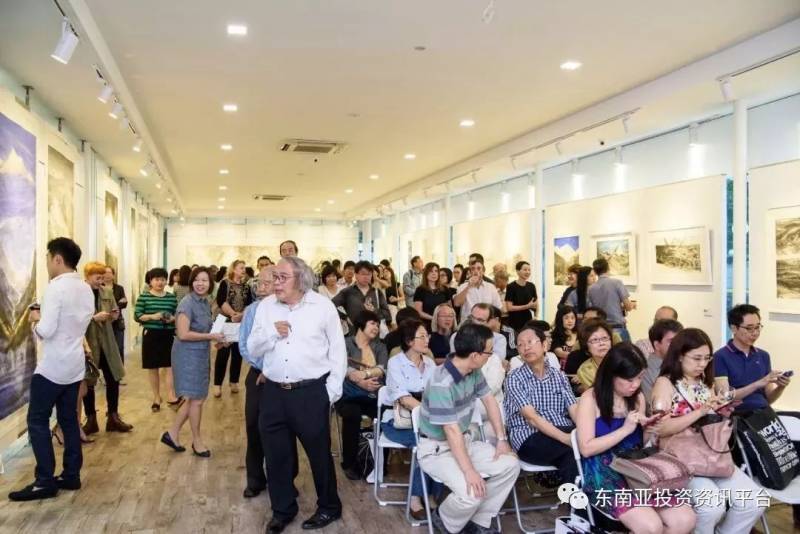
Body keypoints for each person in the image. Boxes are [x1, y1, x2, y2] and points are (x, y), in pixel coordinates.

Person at [247, 256, 346, 532]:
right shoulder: (266, 307)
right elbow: (253, 348)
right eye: (274, 277)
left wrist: (330, 392)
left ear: (300, 280)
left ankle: (329, 507)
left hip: (311, 393)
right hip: (273, 393)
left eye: (282, 277)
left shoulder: (322, 307)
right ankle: (283, 509)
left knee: (319, 455)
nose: (275, 283)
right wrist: (271, 334)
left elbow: (338, 351)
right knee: (276, 455)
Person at [651, 328, 765, 533]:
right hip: (681, 461)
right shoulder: (665, 383)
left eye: (707, 358)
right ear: (679, 356)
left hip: (712, 456)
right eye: (696, 358)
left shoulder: (704, 382)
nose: (702, 364)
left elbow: (709, 422)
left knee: (755, 500)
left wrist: (723, 412)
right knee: (712, 506)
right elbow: (661, 428)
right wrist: (701, 411)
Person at [575, 343, 696, 533]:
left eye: (640, 377)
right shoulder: (590, 399)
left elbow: (639, 443)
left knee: (685, 520)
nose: (636, 385)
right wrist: (625, 430)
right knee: (651, 527)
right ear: (611, 375)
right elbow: (586, 448)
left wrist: (649, 429)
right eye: (629, 379)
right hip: (604, 473)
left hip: (636, 468)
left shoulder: (637, 398)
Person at [9, 238, 94, 502]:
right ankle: (71, 475)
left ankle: (44, 480)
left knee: (37, 420)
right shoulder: (85, 288)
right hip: (74, 365)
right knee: (69, 419)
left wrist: (35, 320)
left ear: (57, 259)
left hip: (52, 367)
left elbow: (46, 330)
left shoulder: (56, 288)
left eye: (48, 259)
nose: (47, 264)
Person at [417, 323, 520, 534]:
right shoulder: (441, 383)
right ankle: (444, 520)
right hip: (436, 450)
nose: (491, 356)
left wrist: (501, 440)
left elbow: (490, 401)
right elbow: (451, 431)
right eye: (489, 352)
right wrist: (469, 471)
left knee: (510, 464)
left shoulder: (473, 371)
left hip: (464, 442)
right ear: (474, 355)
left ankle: (478, 521)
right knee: (472, 493)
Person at [381, 319, 443, 519]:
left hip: (427, 421)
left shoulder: (430, 363)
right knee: (425, 442)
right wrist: (430, 417)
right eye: (422, 336)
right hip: (400, 422)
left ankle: (431, 494)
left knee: (441, 441)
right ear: (409, 341)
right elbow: (404, 398)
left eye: (427, 335)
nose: (427, 340)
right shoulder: (395, 362)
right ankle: (417, 497)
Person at [161, 267, 225, 458]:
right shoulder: (187, 303)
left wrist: (218, 339)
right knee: (196, 399)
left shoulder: (205, 302)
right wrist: (210, 336)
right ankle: (197, 441)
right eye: (197, 280)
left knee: (194, 398)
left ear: (210, 284)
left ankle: (172, 434)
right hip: (187, 355)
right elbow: (183, 334)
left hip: (200, 353)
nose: (200, 283)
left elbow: (206, 329)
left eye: (204, 280)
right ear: (191, 282)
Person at [504, 324, 578, 485]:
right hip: (530, 437)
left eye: (530, 342)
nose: (526, 347)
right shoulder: (514, 378)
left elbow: (573, 408)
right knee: (578, 451)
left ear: (544, 345)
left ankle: (580, 499)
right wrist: (568, 439)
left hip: (563, 430)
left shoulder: (559, 376)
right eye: (520, 344)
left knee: (578, 455)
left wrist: (585, 432)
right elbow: (533, 419)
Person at [239, 266, 282, 497]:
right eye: (259, 283)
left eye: (267, 283)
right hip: (257, 375)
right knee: (253, 426)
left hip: (282, 377)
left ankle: (285, 480)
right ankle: (255, 479)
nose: (260, 288)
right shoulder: (252, 310)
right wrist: (265, 368)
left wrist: (272, 369)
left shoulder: (288, 308)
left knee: (283, 430)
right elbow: (244, 345)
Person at [336, 310, 388, 480]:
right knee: (352, 414)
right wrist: (359, 382)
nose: (376, 327)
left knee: (385, 415)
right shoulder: (345, 343)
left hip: (373, 395)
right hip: (349, 395)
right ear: (361, 324)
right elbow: (339, 365)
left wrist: (364, 375)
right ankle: (350, 463)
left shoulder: (380, 346)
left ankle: (379, 462)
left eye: (378, 325)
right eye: (372, 323)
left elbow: (382, 368)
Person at [714, 303, 792, 412]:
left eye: (757, 327)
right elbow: (724, 397)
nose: (755, 333)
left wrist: (781, 387)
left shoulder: (763, 356)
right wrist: (757, 384)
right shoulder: (720, 356)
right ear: (734, 328)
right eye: (749, 328)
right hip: (738, 415)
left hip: (764, 413)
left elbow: (769, 399)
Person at [82, 262, 131, 434]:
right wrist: (94, 318)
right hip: (89, 342)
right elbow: (74, 319)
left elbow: (114, 311)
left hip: (107, 341)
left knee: (113, 378)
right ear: (87, 276)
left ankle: (113, 417)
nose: (101, 281)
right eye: (98, 277)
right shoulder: (80, 293)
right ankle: (91, 420)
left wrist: (113, 314)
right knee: (88, 380)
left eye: (102, 277)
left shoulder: (107, 292)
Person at [134, 267, 179, 411]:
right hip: (151, 335)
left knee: (170, 366)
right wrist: (153, 316)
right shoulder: (144, 297)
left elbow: (178, 315)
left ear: (166, 281)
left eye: (163, 279)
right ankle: (156, 397)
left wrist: (172, 319)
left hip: (168, 334)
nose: (160, 282)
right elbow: (137, 316)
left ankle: (171, 395)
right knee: (153, 367)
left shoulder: (171, 298)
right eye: (156, 279)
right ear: (150, 281)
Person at [213, 259, 253, 397]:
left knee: (237, 353)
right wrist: (233, 314)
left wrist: (241, 315)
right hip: (225, 322)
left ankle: (234, 382)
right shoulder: (225, 283)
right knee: (223, 354)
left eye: (244, 268)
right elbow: (221, 301)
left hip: (240, 323)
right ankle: (217, 384)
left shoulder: (246, 286)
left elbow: (249, 303)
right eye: (241, 267)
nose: (243, 270)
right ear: (234, 269)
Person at [587, 258, 636, 342]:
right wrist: (632, 305)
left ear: (595, 271)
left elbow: (592, 309)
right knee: (624, 350)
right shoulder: (617, 283)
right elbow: (628, 307)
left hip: (601, 328)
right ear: (608, 268)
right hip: (617, 327)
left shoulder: (591, 289)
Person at [332, 260, 391, 328]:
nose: (366, 277)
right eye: (363, 274)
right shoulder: (347, 292)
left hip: (373, 332)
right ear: (356, 274)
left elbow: (387, 314)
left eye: (369, 274)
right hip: (354, 332)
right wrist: (344, 317)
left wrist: (374, 311)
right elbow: (332, 304)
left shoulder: (376, 292)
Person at [640, 318, 683, 402]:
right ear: (657, 345)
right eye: (672, 341)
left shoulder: (681, 363)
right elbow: (653, 404)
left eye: (680, 341)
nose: (678, 345)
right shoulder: (646, 372)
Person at [413, 262, 452, 329]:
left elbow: (450, 308)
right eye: (431, 271)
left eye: (436, 271)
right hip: (427, 325)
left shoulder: (445, 289)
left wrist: (444, 319)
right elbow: (418, 312)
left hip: (443, 325)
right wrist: (434, 318)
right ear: (426, 273)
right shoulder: (420, 290)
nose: (434, 273)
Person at [504, 261, 538, 332]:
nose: (527, 272)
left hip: (528, 320)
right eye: (525, 270)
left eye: (529, 270)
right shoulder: (511, 286)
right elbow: (509, 307)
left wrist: (536, 316)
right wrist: (527, 306)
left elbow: (536, 304)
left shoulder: (531, 286)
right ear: (517, 271)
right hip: (514, 321)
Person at [103, 266, 127, 363]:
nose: (107, 275)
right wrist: (117, 304)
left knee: (119, 347)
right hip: (104, 321)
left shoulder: (119, 288)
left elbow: (124, 303)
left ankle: (120, 368)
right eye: (105, 272)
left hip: (117, 322)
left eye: (109, 273)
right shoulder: (99, 287)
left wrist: (112, 306)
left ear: (113, 275)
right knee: (106, 348)